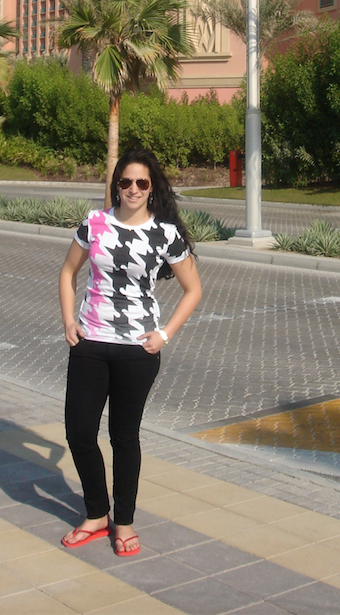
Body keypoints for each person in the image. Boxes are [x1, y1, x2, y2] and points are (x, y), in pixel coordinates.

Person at [59, 148, 202, 557]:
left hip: (137, 350)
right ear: (116, 185)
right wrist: (70, 321)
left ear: (151, 187)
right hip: (91, 343)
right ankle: (95, 512)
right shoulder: (95, 223)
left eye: (142, 182)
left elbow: (194, 290)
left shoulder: (166, 234)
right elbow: (68, 272)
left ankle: (123, 521)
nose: (133, 189)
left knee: (124, 437)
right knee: (80, 431)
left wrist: (165, 334)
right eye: (126, 182)